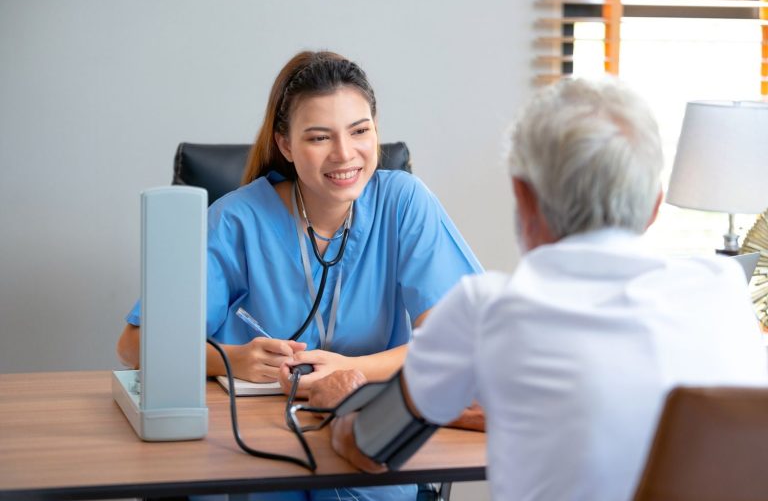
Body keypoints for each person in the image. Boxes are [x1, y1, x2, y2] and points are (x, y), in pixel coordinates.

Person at [315, 77, 768, 501]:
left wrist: (348, 406)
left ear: (523, 196)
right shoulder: (724, 289)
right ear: (654, 206)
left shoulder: (486, 310)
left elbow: (370, 448)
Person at [116, 50, 482, 501]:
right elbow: (133, 344)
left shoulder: (405, 203)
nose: (345, 154)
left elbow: (457, 341)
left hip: (365, 455)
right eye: (319, 137)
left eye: (360, 131)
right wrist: (233, 359)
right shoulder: (238, 219)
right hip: (256, 453)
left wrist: (351, 370)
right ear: (286, 145)